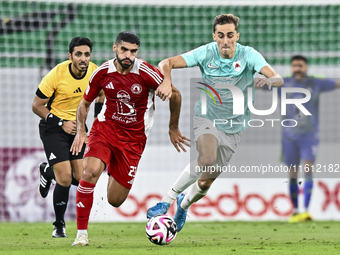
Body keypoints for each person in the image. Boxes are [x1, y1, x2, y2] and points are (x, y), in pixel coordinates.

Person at [147, 14, 284, 232]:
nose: (226, 40)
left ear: (237, 36)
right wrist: (166, 79)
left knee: (204, 183)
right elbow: (167, 63)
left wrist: (269, 80)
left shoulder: (249, 55)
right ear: (215, 36)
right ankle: (166, 200)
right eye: (221, 36)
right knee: (207, 158)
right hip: (206, 117)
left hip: (235, 127)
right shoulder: (206, 52)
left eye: (230, 35)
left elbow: (278, 78)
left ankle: (183, 206)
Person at [70, 31, 188, 246]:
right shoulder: (102, 73)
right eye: (124, 49)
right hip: (105, 130)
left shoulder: (147, 73)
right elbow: (84, 104)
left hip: (133, 142)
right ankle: (81, 235)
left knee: (115, 200)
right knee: (89, 172)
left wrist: (173, 128)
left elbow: (176, 95)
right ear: (115, 48)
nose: (128, 55)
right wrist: (81, 131)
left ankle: (108, 165)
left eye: (133, 51)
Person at [32, 37, 98, 237]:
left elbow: (102, 95)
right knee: (66, 178)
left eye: (86, 54)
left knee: (80, 178)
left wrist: (92, 125)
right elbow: (36, 106)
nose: (83, 58)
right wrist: (61, 122)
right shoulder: (57, 74)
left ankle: (47, 172)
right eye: (78, 54)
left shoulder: (95, 72)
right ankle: (59, 225)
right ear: (70, 56)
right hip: (53, 128)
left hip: (78, 128)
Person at [282, 55, 340, 223]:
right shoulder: (284, 83)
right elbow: (262, 85)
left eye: (300, 65)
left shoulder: (316, 83)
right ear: (291, 68)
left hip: (309, 136)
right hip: (289, 137)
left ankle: (306, 212)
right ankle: (295, 211)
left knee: (307, 170)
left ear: (306, 67)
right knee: (292, 174)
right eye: (294, 66)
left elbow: (336, 83)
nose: (297, 69)